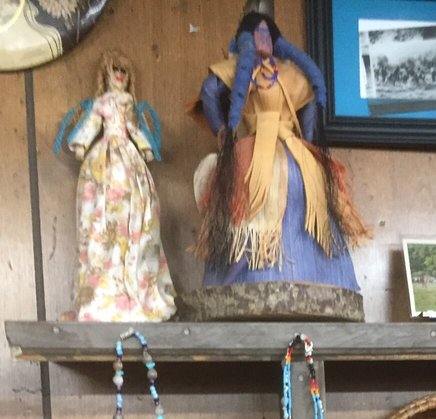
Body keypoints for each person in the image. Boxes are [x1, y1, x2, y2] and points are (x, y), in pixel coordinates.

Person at [192, 12, 370, 290]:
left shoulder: (287, 72)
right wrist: (221, 129)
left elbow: (309, 101)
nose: (263, 39)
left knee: (309, 202)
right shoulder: (240, 67)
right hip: (260, 149)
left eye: (267, 34)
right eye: (258, 34)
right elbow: (209, 91)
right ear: (246, 39)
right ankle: (248, 268)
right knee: (244, 201)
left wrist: (307, 141)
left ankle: (309, 275)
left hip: (291, 151)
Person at [57, 50, 175, 322]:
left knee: (136, 214)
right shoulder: (102, 103)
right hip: (105, 162)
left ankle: (136, 282)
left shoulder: (128, 102)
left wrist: (145, 147)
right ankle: (104, 289)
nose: (119, 75)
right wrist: (82, 143)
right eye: (115, 70)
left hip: (128, 159)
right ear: (106, 74)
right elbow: (91, 123)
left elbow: (134, 129)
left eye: (123, 71)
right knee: (102, 220)